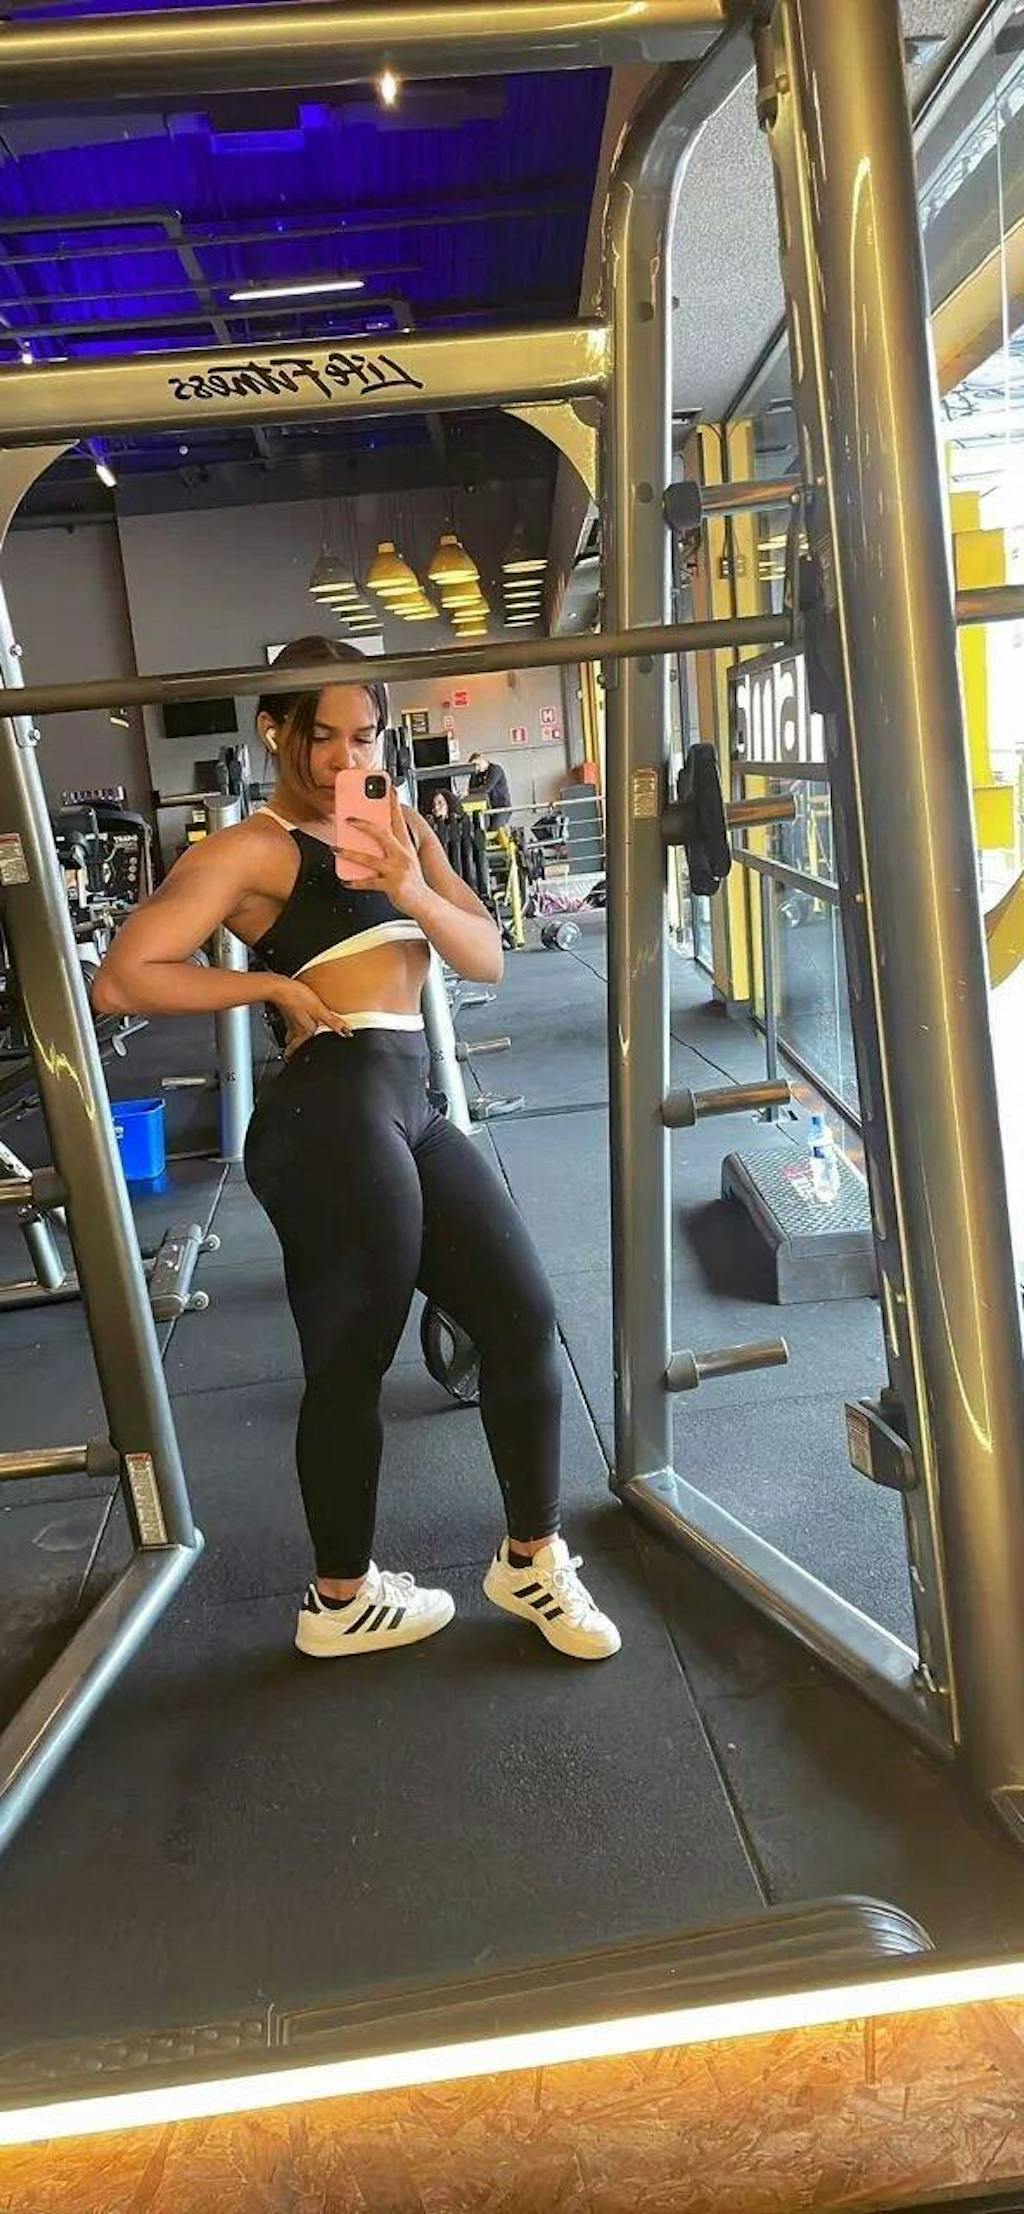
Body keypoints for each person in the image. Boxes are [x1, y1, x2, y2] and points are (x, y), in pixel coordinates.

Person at [93, 638, 620, 1665]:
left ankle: (531, 1558)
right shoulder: (252, 850)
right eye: (322, 737)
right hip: (327, 1110)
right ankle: (339, 1597)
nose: (345, 759)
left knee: (521, 1318)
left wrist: (411, 884)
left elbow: (486, 957)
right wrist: (269, 986)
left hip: (411, 1102)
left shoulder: (400, 825)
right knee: (352, 1359)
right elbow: (125, 977)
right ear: (274, 732)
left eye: (365, 736)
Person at [423, 786, 490, 903]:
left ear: (449, 805)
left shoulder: (464, 827)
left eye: (440, 803)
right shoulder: (428, 828)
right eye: (433, 805)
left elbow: (475, 857)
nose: (436, 808)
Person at [467, 751, 512, 827]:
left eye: (477, 764)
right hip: (488, 808)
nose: (477, 767)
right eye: (474, 766)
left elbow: (487, 788)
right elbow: (472, 789)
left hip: (501, 808)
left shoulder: (495, 770)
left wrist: (468, 791)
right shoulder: (478, 775)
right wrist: (473, 774)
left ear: (482, 759)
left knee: (495, 827)